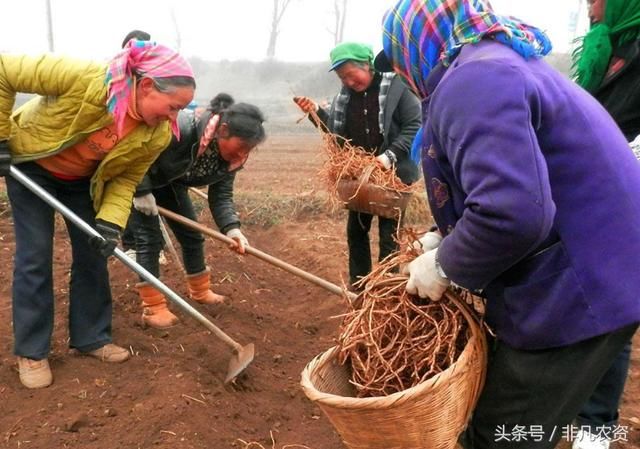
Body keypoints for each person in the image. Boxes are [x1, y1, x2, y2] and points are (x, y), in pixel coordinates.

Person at [376, 0, 640, 448]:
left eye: (400, 62)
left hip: (580, 284)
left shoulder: (474, 78)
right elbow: (529, 177)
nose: (403, 75)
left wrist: (446, 265)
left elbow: (513, 212)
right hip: (605, 265)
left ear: (419, 44)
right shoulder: (499, 62)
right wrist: (445, 233)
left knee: (500, 434)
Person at [0, 41, 196, 389]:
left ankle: (91, 337)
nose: (173, 117)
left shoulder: (157, 133)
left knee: (94, 252)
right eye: (172, 106)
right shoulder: (86, 78)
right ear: (147, 86)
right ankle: (31, 352)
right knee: (35, 256)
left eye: (180, 110)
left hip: (83, 181)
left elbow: (125, 179)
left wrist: (110, 223)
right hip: (31, 168)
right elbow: (4, 70)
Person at [129, 93, 266, 329]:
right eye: (242, 146)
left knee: (192, 236)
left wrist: (232, 230)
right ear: (223, 130)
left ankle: (200, 291)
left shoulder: (232, 160)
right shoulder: (182, 129)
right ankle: (153, 308)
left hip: (172, 184)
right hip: (138, 179)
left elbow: (221, 195)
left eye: (249, 149)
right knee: (149, 241)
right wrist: (140, 190)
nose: (243, 154)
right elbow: (138, 149)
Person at [293, 42, 421, 290]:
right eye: (343, 78)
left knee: (389, 235)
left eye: (352, 75)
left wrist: (388, 156)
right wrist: (315, 112)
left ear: (368, 65)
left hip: (393, 174)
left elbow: (414, 126)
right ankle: (359, 287)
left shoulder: (397, 87)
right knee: (356, 232)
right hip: (360, 176)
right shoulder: (344, 98)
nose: (349, 82)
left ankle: (386, 290)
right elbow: (337, 136)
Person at [571, 1, 640, 448]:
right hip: (591, 198)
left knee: (615, 310)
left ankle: (595, 428)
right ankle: (582, 416)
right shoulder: (604, 49)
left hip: (628, 202)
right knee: (584, 306)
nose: (591, 7)